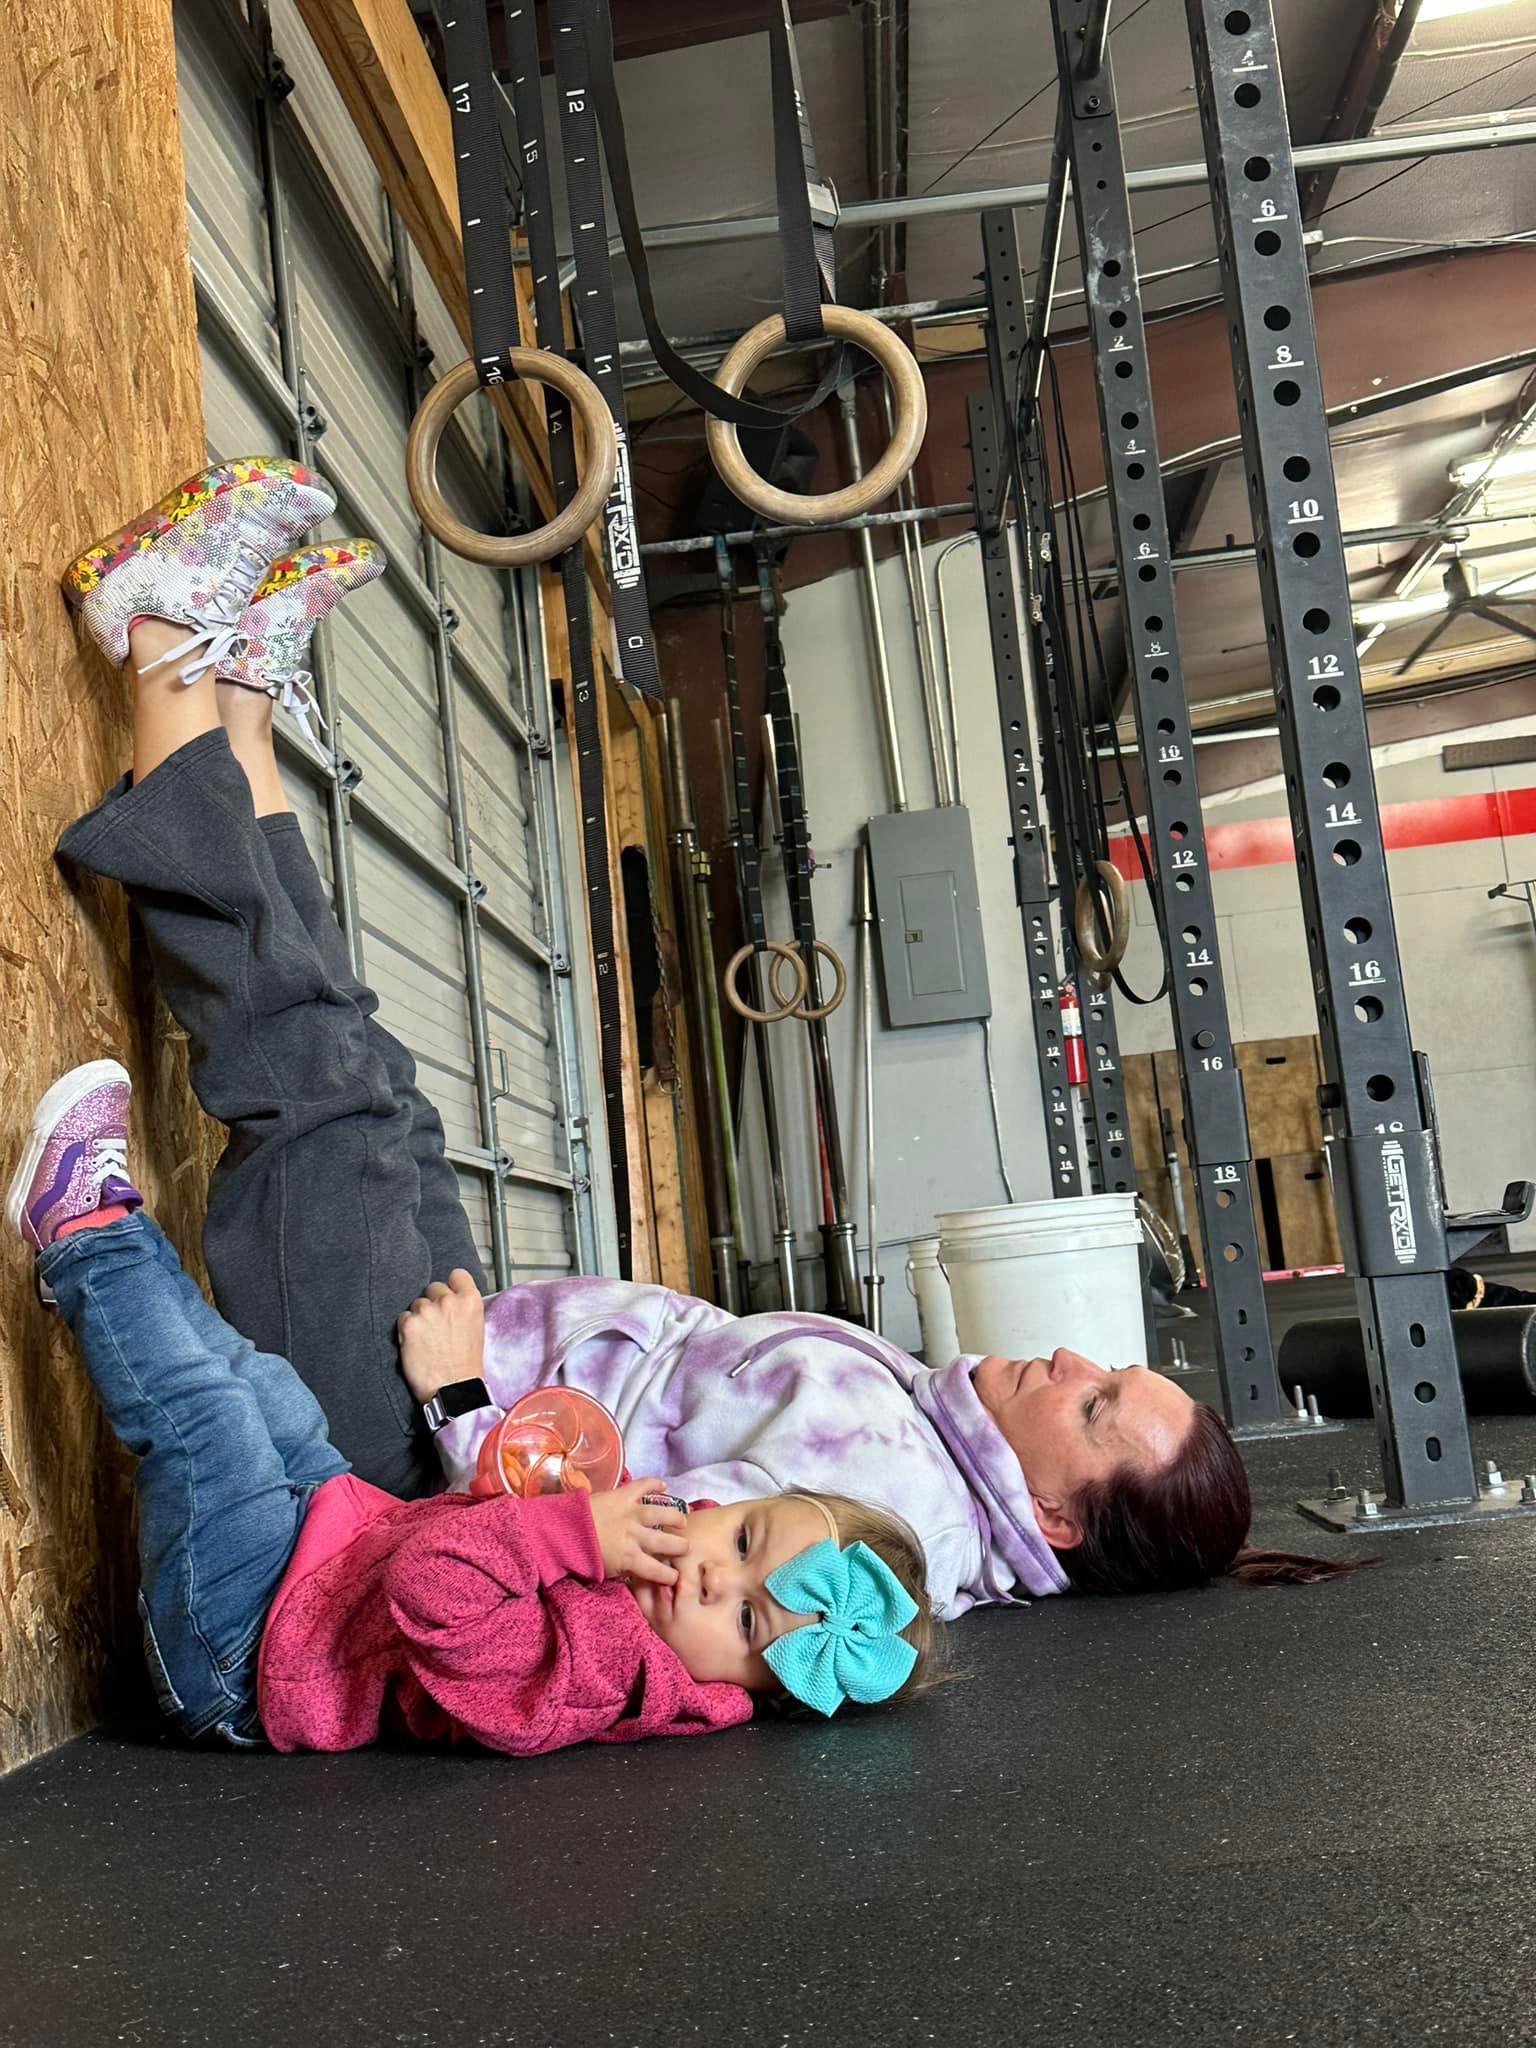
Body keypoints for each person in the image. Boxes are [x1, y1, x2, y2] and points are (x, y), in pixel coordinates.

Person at [52, 457, 1346, 1637]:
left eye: (1094, 1408)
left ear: (1056, 1516)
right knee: (368, 1089)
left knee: (317, 1083)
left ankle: (163, 639)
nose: (1071, 1362)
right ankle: (236, 704)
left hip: (400, 1449)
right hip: (469, 1377)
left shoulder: (889, 1496)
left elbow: (623, 1553)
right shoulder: (938, 1448)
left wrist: (453, 1406)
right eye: (1109, 1368)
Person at [8, 1058, 934, 1749]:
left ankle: (82, 1230)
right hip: (330, 1557)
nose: (709, 1577)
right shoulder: (644, 1551)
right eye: (741, 1543)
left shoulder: (593, 1675)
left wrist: (566, 1533)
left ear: (755, 1694)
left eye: (743, 1622)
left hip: (250, 1651)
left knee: (212, 1423)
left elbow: (433, 1594)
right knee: (265, 1389)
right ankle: (104, 1277)